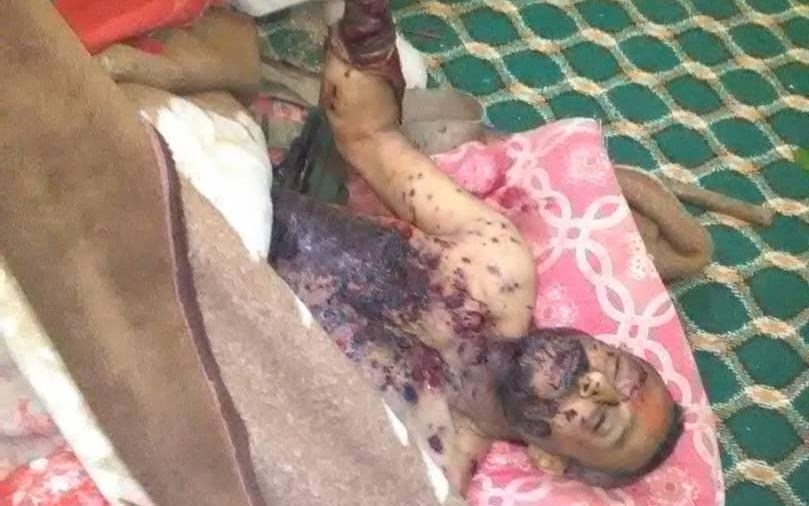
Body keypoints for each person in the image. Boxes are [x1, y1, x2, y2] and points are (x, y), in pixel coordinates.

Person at [267, 30, 683, 493]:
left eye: (601, 421)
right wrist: (364, 35)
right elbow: (369, 137)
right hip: (240, 190)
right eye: (619, 370)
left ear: (549, 461)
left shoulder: (424, 466)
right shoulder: (498, 266)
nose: (596, 384)